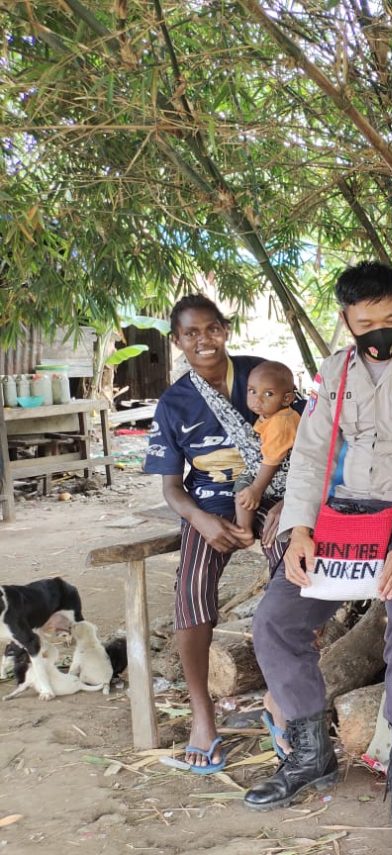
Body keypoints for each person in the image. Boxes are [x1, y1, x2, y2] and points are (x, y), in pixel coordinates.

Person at [244, 262, 392, 831]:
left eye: (391, 318)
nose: (380, 331)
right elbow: (313, 457)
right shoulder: (335, 371)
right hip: (346, 515)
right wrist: (299, 529)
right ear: (346, 320)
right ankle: (309, 750)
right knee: (275, 617)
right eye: (366, 321)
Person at [142, 295, 292, 773]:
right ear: (177, 340)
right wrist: (201, 521)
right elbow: (171, 486)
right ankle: (202, 715)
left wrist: (290, 502)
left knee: (294, 565)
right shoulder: (174, 402)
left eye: (211, 329)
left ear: (225, 330)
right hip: (207, 499)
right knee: (190, 588)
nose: (203, 340)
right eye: (191, 333)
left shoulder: (263, 375)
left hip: (274, 489)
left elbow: (311, 441)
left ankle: (282, 699)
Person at [234, 360, 300, 537]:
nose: (257, 399)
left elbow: (272, 459)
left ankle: (244, 529)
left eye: (268, 394)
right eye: (252, 391)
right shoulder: (269, 415)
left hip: (283, 475)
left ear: (287, 398)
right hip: (272, 470)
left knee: (243, 486)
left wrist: (256, 489)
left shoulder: (281, 422)